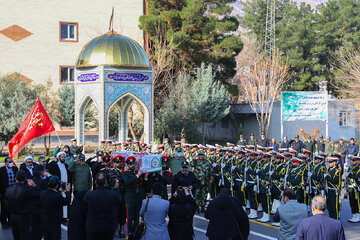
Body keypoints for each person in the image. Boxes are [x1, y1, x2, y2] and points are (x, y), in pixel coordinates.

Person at [83, 172, 122, 240]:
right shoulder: (113, 195)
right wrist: (115, 188)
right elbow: (119, 200)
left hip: (93, 227)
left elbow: (84, 204)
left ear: (95, 182)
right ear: (106, 182)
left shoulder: (90, 195)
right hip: (108, 227)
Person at [5, 170, 39, 240]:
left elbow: (6, 204)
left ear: (15, 178)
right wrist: (34, 185)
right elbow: (39, 194)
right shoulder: (27, 190)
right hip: (24, 216)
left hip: (13, 216)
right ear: (25, 178)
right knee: (25, 236)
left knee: (16, 236)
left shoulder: (9, 189)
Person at [67, 153, 92, 240]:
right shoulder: (76, 166)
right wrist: (74, 162)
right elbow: (69, 169)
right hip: (78, 189)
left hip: (86, 189)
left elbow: (89, 177)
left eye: (83, 160)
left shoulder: (86, 167)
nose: (82, 162)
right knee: (77, 206)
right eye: (81, 160)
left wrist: (90, 187)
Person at [40, 176, 71, 240]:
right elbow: (67, 201)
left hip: (45, 221)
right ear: (57, 185)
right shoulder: (57, 196)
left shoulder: (43, 193)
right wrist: (67, 191)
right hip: (54, 222)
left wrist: (59, 191)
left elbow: (53, 195)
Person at [122, 156, 144, 237]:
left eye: (133, 163)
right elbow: (127, 182)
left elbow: (141, 184)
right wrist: (137, 175)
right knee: (130, 217)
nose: (132, 165)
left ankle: (135, 232)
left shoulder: (136, 172)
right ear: (127, 165)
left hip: (137, 197)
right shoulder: (125, 173)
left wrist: (144, 176)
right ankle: (130, 233)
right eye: (130, 164)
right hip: (130, 197)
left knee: (136, 217)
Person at [31, 165, 50, 240]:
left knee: (34, 228)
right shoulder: (43, 182)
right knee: (40, 227)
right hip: (40, 207)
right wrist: (49, 175)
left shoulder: (32, 181)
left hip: (32, 207)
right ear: (41, 172)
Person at [0, 157, 18, 228]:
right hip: (4, 192)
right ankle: (4, 222)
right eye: (9, 162)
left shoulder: (15, 169)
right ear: (5, 163)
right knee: (4, 208)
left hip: (14, 192)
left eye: (11, 161)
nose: (11, 163)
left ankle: (11, 221)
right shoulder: (1, 170)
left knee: (12, 207)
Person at [347, 155, 360, 222]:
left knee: (356, 202)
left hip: (356, 188)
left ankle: (358, 216)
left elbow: (358, 177)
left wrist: (351, 175)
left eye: (354, 161)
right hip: (350, 187)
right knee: (351, 202)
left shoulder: (359, 168)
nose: (352, 162)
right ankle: (354, 215)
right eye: (352, 160)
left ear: (358, 161)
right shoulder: (351, 167)